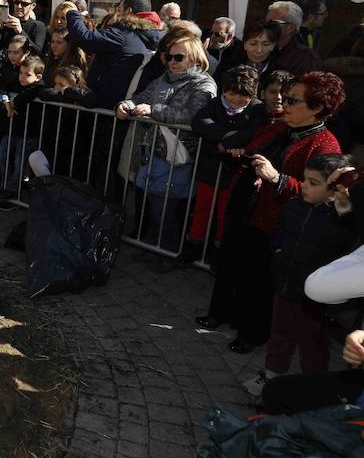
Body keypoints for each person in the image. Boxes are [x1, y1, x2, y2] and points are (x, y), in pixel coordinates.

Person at [198, 71, 345, 353]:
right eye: (285, 97)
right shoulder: (277, 127)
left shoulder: (325, 145)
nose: (283, 103)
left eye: (292, 100)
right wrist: (239, 156)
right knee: (229, 262)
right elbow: (253, 150)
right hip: (245, 207)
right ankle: (220, 312)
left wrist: (276, 178)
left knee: (259, 279)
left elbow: (318, 193)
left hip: (277, 222)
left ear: (317, 108)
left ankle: (251, 333)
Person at [243, 153, 357, 396]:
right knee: (280, 334)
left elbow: (348, 253)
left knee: (313, 345)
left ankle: (311, 391)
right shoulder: (294, 205)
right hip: (285, 285)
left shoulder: (342, 220)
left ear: (334, 189)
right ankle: (272, 379)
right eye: (305, 179)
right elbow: (279, 233)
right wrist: (277, 252)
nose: (304, 185)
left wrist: (344, 207)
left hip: (315, 299)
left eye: (313, 183)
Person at [116, 31, 217, 263]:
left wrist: (154, 111)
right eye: (169, 57)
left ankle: (166, 252)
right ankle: (154, 247)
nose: (172, 62)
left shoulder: (203, 84)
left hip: (179, 155)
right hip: (153, 150)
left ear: (194, 57)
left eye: (178, 58)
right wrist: (126, 105)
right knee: (154, 204)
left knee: (168, 208)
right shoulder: (163, 79)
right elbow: (142, 96)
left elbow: (194, 117)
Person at [187, 66, 268, 258]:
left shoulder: (257, 109)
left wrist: (229, 142)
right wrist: (225, 136)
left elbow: (254, 132)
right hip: (209, 168)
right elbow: (199, 122)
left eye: (243, 96)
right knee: (201, 209)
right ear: (224, 90)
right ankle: (194, 246)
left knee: (225, 214)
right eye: (232, 94)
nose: (236, 100)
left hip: (235, 172)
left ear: (253, 93)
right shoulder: (216, 104)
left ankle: (218, 252)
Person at [64, 0, 164, 110]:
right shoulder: (155, 37)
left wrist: (73, 13)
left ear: (128, 11)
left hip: (107, 108)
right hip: (124, 107)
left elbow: (85, 38)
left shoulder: (124, 34)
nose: (116, 13)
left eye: (119, 9)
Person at [28, 65, 97, 180]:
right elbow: (43, 93)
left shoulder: (82, 96)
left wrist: (69, 91)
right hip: (54, 149)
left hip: (76, 154)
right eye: (56, 84)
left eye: (62, 85)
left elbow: (91, 100)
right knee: (35, 158)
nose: (57, 87)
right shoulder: (57, 95)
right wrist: (62, 94)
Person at [0, 55, 46, 210]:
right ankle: (5, 185)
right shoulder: (14, 83)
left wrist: (13, 103)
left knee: (19, 161)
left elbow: (28, 95)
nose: (22, 77)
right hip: (11, 129)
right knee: (1, 155)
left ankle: (12, 189)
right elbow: (1, 89)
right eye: (21, 73)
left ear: (37, 77)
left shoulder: (39, 87)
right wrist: (6, 103)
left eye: (27, 74)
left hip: (28, 133)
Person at [214, 20, 282, 87]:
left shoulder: (279, 66)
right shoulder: (229, 60)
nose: (259, 50)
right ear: (245, 44)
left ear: (273, 45)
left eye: (266, 44)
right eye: (253, 44)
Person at [266, 0, 318, 74]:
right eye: (266, 22)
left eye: (272, 22)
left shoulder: (306, 58)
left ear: (290, 28)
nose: (266, 26)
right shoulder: (263, 48)